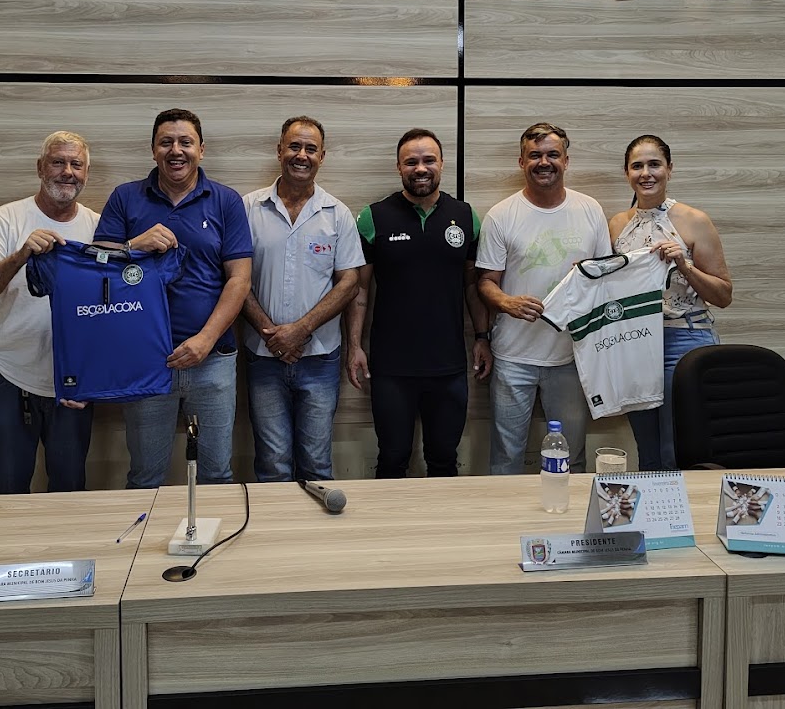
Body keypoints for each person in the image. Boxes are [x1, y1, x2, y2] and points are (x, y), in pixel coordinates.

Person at [93, 108, 253, 488]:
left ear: (202, 150)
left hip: (212, 360)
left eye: (185, 142)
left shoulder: (226, 201)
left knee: (216, 473)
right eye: (166, 142)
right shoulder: (125, 197)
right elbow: (97, 270)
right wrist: (134, 245)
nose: (176, 150)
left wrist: (205, 339)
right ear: (153, 150)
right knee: (145, 476)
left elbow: (239, 279)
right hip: (146, 359)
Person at [346, 129, 491, 478]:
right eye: (411, 162)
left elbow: (473, 286)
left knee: (444, 460)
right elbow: (359, 291)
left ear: (442, 163)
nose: (421, 168)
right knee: (392, 459)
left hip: (448, 366)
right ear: (399, 167)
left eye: (429, 160)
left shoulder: (466, 216)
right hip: (391, 367)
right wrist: (354, 345)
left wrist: (482, 337)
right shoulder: (373, 217)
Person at [0, 131, 98, 493]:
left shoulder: (98, 227)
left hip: (72, 381)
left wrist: (94, 376)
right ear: (40, 167)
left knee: (70, 488)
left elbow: (110, 313)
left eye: (76, 164)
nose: (67, 172)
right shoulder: (6, 219)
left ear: (86, 173)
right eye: (57, 162)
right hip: (9, 373)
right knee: (8, 487)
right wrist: (20, 256)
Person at [476, 122, 610, 475]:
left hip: (572, 356)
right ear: (522, 162)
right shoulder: (501, 215)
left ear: (566, 160)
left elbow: (607, 280)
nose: (544, 162)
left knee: (572, 457)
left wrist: (590, 277)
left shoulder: (590, 209)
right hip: (513, 357)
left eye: (553, 154)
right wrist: (506, 302)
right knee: (506, 459)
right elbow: (485, 282)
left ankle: (568, 512)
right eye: (535, 155)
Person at [242, 117, 364, 482]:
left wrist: (299, 330)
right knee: (272, 464)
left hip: (320, 358)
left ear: (322, 156)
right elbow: (235, 280)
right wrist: (272, 334)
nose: (302, 155)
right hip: (263, 357)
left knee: (316, 464)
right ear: (279, 150)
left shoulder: (337, 214)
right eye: (294, 146)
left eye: (311, 149)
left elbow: (349, 282)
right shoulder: (248, 208)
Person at [609, 134, 732, 470]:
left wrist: (684, 265)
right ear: (627, 173)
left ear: (670, 169)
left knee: (675, 450)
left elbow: (723, 295)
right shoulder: (617, 225)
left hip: (684, 339)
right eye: (637, 166)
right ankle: (652, 506)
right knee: (648, 452)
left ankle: (686, 507)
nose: (646, 173)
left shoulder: (694, 220)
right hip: (636, 343)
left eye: (654, 164)